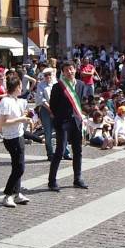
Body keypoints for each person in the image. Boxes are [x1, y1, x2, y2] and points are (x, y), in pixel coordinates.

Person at [47, 60, 88, 192]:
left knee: (78, 151)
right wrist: (59, 118)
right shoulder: (58, 86)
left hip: (76, 121)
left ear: (75, 69)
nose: (69, 72)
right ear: (63, 73)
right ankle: (52, 180)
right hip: (63, 123)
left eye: (71, 69)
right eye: (66, 70)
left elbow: (82, 102)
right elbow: (52, 105)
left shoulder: (81, 84)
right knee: (60, 150)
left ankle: (78, 178)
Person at [0, 75, 32, 207]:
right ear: (17, 87)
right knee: (19, 168)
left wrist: (25, 116)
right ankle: (7, 195)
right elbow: (3, 122)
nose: (22, 89)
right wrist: (21, 119)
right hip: (11, 138)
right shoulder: (5, 101)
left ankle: (17, 194)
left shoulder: (16, 100)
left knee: (18, 166)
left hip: (19, 135)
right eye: (20, 86)